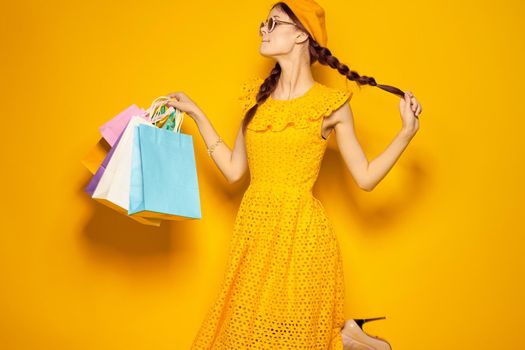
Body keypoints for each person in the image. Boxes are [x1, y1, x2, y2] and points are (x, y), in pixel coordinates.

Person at [164, 1, 421, 349]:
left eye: (273, 23)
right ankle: (347, 336)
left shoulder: (331, 104)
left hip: (303, 237)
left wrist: (405, 132)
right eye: (263, 23)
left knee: (290, 338)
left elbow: (366, 177)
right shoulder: (256, 99)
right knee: (241, 335)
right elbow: (233, 170)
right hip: (254, 234)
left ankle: (344, 335)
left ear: (301, 34)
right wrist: (196, 114)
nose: (263, 30)